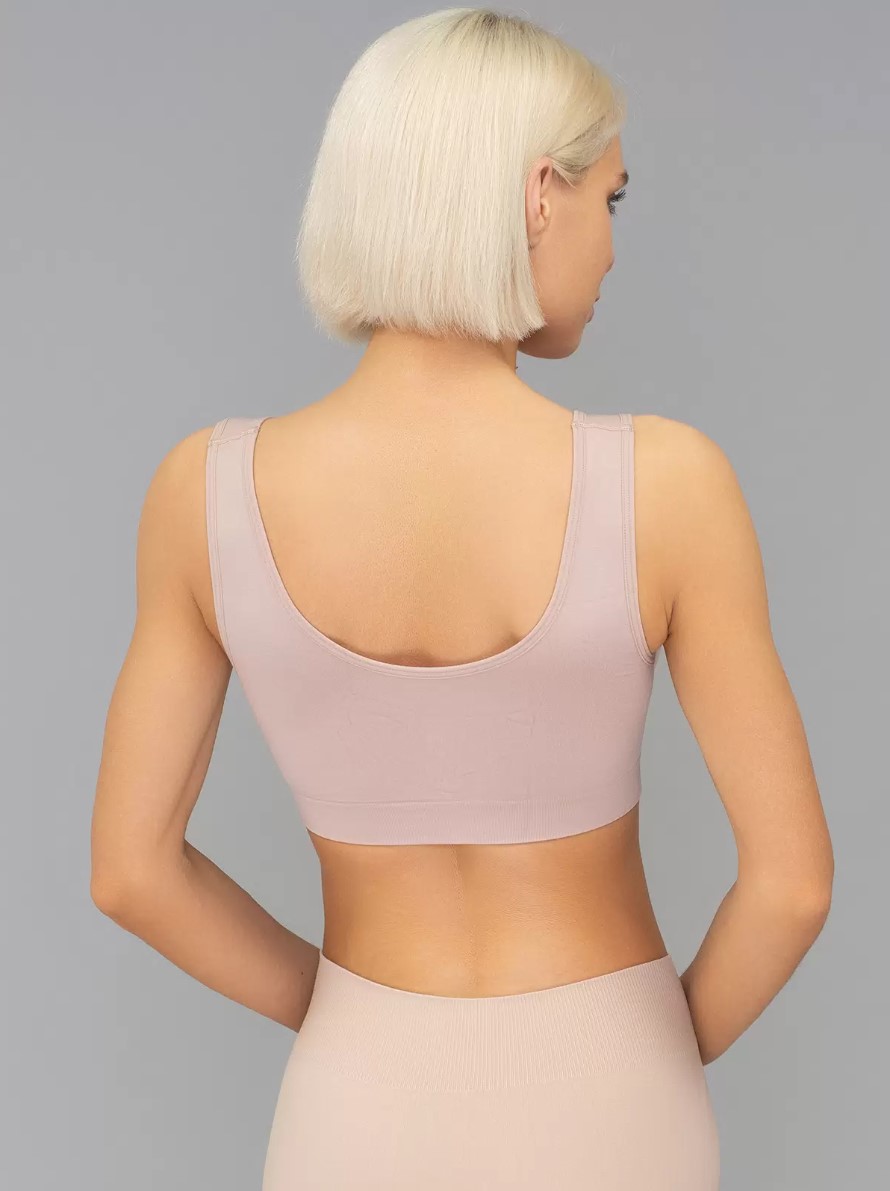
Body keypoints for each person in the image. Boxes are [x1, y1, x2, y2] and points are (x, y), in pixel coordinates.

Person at [89, 8, 834, 1188]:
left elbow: (130, 873)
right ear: (539, 195)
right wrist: (641, 1056)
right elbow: (790, 886)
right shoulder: (665, 484)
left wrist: (350, 1019)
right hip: (613, 1096)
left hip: (355, 1096)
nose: (611, 246)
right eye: (610, 200)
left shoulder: (205, 493)